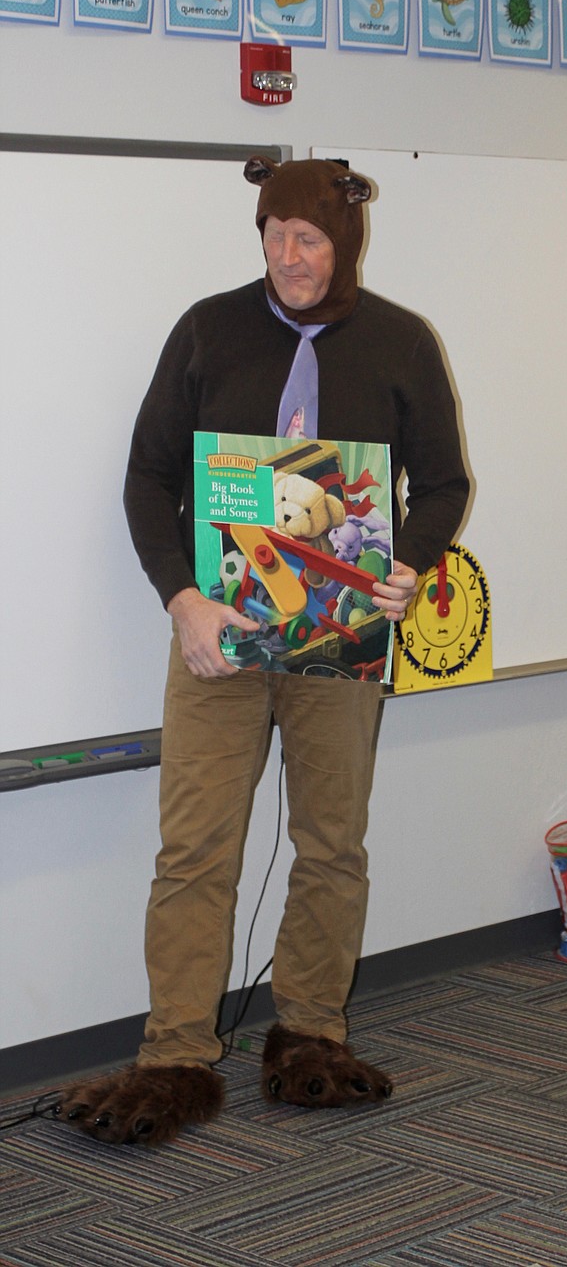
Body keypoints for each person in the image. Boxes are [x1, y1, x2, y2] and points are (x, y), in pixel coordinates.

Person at [56, 155, 470, 1146]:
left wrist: (410, 563)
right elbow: (149, 477)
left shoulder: (402, 342)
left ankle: (311, 1034)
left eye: (311, 239)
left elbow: (445, 483)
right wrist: (182, 598)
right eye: (275, 237)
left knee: (332, 842)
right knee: (195, 846)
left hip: (342, 632)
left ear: (345, 241)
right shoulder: (208, 328)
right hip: (222, 635)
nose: (291, 258)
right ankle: (175, 1052)